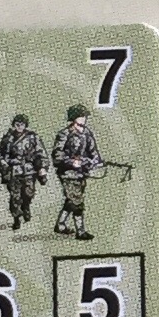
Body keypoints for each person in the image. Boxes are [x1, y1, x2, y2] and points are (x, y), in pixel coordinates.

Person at [50, 103, 104, 242]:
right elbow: (57, 155)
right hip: (68, 173)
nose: (84, 119)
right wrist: (71, 162)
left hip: (82, 173)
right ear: (73, 118)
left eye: (84, 116)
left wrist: (96, 161)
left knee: (71, 200)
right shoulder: (64, 134)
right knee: (77, 201)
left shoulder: (87, 133)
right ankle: (81, 231)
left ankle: (60, 224)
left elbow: (93, 151)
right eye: (81, 116)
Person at [0, 111, 44, 231]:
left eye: (22, 124)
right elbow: (1, 153)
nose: (19, 126)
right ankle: (16, 218)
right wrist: (3, 162)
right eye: (17, 124)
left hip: (29, 171)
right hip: (14, 171)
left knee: (28, 193)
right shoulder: (8, 138)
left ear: (25, 125)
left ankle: (26, 206)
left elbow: (40, 152)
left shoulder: (32, 137)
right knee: (15, 196)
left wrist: (42, 168)